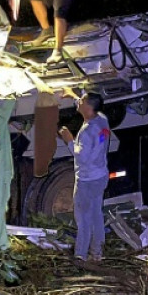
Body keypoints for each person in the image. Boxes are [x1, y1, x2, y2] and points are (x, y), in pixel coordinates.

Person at [58, 91, 110, 263]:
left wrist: (69, 140)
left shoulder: (87, 133)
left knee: (83, 219)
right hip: (100, 176)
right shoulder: (102, 120)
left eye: (81, 101)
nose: (79, 102)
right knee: (96, 215)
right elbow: (85, 104)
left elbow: (81, 156)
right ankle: (98, 252)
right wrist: (72, 96)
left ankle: (80, 255)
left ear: (88, 107)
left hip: (87, 181)